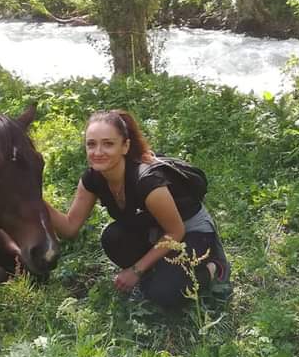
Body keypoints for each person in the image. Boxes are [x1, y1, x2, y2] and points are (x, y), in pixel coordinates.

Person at [46, 110, 231, 309]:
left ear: (125, 146)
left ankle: (213, 268)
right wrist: (33, 199)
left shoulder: (147, 181)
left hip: (189, 231)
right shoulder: (93, 178)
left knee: (163, 293)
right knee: (112, 237)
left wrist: (135, 270)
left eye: (108, 144)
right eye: (91, 144)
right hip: (153, 230)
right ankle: (160, 271)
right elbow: (69, 228)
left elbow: (175, 232)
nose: (97, 152)